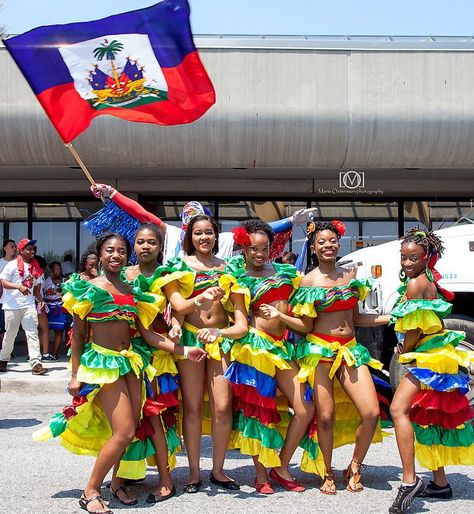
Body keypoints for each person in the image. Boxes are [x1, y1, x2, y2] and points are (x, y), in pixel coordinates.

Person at [33, 233, 207, 514]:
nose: (116, 255)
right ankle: (90, 491)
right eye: (110, 250)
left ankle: (116, 484)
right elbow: (77, 337)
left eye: (122, 251)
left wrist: (185, 351)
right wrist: (75, 375)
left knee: (131, 427)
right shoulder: (87, 289)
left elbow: (148, 335)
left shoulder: (132, 290)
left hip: (131, 364)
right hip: (103, 365)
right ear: (100, 255)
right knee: (124, 431)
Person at [289, 220, 390, 494]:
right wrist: (280, 317)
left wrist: (390, 317)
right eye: (321, 242)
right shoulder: (307, 281)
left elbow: (356, 318)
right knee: (326, 417)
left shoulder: (351, 277)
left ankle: (355, 466)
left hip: (351, 350)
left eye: (332, 241)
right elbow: (304, 325)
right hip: (319, 352)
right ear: (313, 247)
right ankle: (327, 470)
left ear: (339, 243)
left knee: (370, 412)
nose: (327, 246)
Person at [224, 220, 316, 494]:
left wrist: (282, 317)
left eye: (264, 248)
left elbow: (303, 321)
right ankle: (261, 473)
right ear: (243, 248)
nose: (260, 254)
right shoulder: (238, 279)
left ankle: (282, 465)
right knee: (258, 413)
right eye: (253, 248)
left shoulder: (287, 274)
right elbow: (240, 321)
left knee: (305, 408)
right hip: (255, 348)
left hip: (282, 347)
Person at [388, 228, 474, 514]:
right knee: (428, 416)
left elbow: (413, 328)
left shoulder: (415, 285)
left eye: (413, 258)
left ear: (426, 258)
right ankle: (440, 482)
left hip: (427, 355)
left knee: (398, 411)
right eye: (403, 257)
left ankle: (409, 480)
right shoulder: (427, 280)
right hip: (438, 353)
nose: (407, 263)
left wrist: (404, 350)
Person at [163, 214, 248, 493]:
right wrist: (196, 302)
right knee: (194, 406)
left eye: (209, 233)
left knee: (223, 407)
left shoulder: (230, 268)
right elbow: (177, 305)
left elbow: (240, 319)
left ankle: (219, 470)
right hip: (191, 340)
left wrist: (220, 333)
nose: (203, 238)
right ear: (190, 237)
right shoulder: (179, 266)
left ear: (216, 236)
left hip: (220, 340)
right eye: (198, 233)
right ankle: (194, 473)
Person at [120, 222, 193, 503]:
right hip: (127, 354)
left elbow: (179, 306)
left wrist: (176, 324)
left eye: (151, 242)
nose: (145, 246)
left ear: (160, 246)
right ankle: (126, 473)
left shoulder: (167, 274)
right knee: (128, 416)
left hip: (159, 354)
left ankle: (166, 480)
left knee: (156, 416)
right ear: (133, 245)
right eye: (140, 242)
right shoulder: (123, 275)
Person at [89, 183, 317, 263]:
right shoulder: (172, 236)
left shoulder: (225, 241)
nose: (201, 237)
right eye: (193, 229)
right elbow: (142, 214)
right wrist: (112, 193)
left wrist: (289, 220)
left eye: (205, 230)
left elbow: (257, 233)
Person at [0, 238, 46, 375]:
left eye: (33, 249)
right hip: (12, 306)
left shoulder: (36, 267)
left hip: (29, 305)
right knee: (10, 335)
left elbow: (36, 288)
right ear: (21, 251)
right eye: (29, 249)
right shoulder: (12, 265)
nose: (32, 251)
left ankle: (36, 363)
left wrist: (40, 299)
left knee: (32, 333)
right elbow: (3, 282)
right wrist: (18, 287)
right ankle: (3, 360)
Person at [42, 261, 66, 360]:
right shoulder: (46, 281)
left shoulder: (65, 281)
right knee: (44, 330)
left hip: (59, 308)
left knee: (59, 331)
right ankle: (42, 353)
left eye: (59, 269)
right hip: (48, 308)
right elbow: (41, 293)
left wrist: (63, 291)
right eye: (56, 269)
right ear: (51, 270)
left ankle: (54, 354)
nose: (58, 271)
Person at [0, 239, 17, 343]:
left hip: (15, 300)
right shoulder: (0, 263)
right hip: (2, 300)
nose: (14, 249)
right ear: (5, 248)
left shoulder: (18, 263)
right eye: (12, 246)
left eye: (15, 247)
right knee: (2, 326)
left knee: (11, 327)